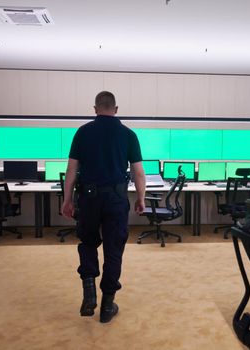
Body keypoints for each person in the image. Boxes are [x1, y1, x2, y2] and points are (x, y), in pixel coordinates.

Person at [62, 91, 146, 323]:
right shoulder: (129, 135)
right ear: (116, 109)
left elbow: (71, 170)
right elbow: (138, 172)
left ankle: (89, 291)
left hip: (88, 198)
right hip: (116, 200)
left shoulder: (83, 132)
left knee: (88, 242)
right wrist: (141, 198)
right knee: (113, 249)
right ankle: (107, 306)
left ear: (95, 109)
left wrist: (67, 199)